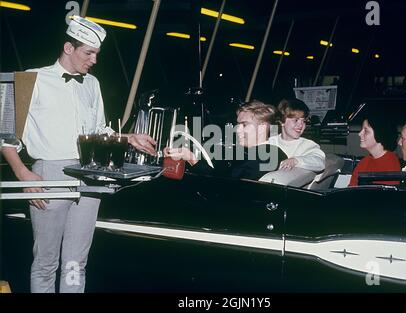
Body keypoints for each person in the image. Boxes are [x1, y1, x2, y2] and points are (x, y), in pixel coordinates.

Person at [1, 16, 155, 293]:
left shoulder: (92, 84)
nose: (94, 60)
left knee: (76, 262)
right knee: (46, 261)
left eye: (97, 54)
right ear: (68, 48)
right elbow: (5, 136)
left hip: (90, 172)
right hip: (49, 174)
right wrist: (24, 174)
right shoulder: (28, 80)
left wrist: (129, 138)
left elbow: (99, 130)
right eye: (88, 53)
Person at [165, 100, 287, 180]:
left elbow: (222, 186)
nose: (237, 129)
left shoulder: (264, 156)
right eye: (238, 124)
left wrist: (192, 159)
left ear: (262, 128)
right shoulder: (266, 153)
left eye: (244, 125)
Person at [268, 99, 325, 172]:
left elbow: (320, 163)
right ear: (282, 121)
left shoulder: (308, 145)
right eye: (296, 120)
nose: (301, 125)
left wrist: (296, 160)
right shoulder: (270, 142)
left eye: (303, 121)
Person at [349, 117, 401, 186]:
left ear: (380, 133)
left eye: (366, 131)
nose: (360, 134)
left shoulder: (390, 163)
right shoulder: (364, 162)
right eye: (362, 129)